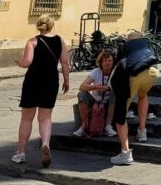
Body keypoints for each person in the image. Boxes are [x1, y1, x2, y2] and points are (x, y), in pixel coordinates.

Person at [12, 13, 69, 167]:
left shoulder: (33, 41)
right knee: (45, 118)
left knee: (26, 118)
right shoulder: (60, 40)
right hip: (51, 81)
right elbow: (64, 62)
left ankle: (21, 153)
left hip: (33, 81)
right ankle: (45, 144)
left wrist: (20, 62)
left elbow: (27, 62)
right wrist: (66, 81)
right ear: (52, 25)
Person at [109, 31, 159, 166]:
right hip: (152, 73)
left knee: (120, 115)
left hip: (133, 75)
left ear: (128, 40)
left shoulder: (125, 48)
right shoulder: (146, 45)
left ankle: (125, 153)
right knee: (143, 96)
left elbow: (119, 65)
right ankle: (142, 131)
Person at [74, 50, 116, 138]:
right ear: (101, 62)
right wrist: (95, 87)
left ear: (113, 62)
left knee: (115, 94)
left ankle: (108, 126)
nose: (107, 63)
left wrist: (108, 89)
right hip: (95, 101)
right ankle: (84, 125)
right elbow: (82, 86)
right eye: (105, 60)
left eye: (109, 61)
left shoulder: (115, 72)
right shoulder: (96, 71)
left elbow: (121, 88)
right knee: (82, 94)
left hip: (109, 102)